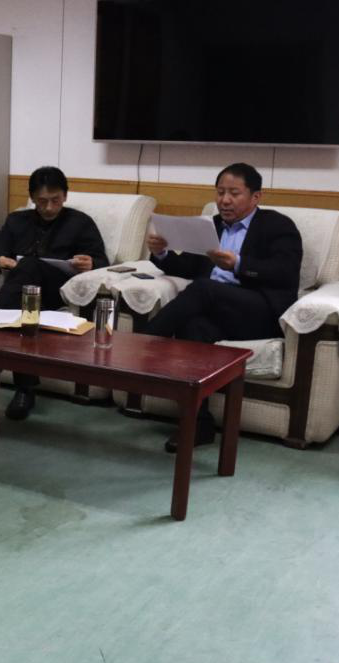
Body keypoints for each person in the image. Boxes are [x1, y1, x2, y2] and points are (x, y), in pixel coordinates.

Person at [143, 162, 302, 452]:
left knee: (203, 289)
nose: (224, 200)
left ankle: (142, 344)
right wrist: (162, 253)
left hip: (259, 311)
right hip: (218, 310)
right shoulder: (211, 226)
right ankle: (198, 425)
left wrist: (238, 264)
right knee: (192, 327)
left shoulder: (278, 226)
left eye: (234, 193)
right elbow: (188, 267)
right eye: (219, 192)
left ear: (256, 197)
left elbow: (285, 272)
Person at [0, 166, 107, 421]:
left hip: (58, 290)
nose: (50, 208)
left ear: (65, 196)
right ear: (32, 197)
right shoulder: (17, 220)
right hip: (22, 293)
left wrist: (91, 263)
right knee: (25, 291)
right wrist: (0, 259)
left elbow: (101, 260)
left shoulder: (80, 223)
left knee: (29, 265)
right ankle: (24, 389)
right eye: (42, 202)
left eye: (56, 200)